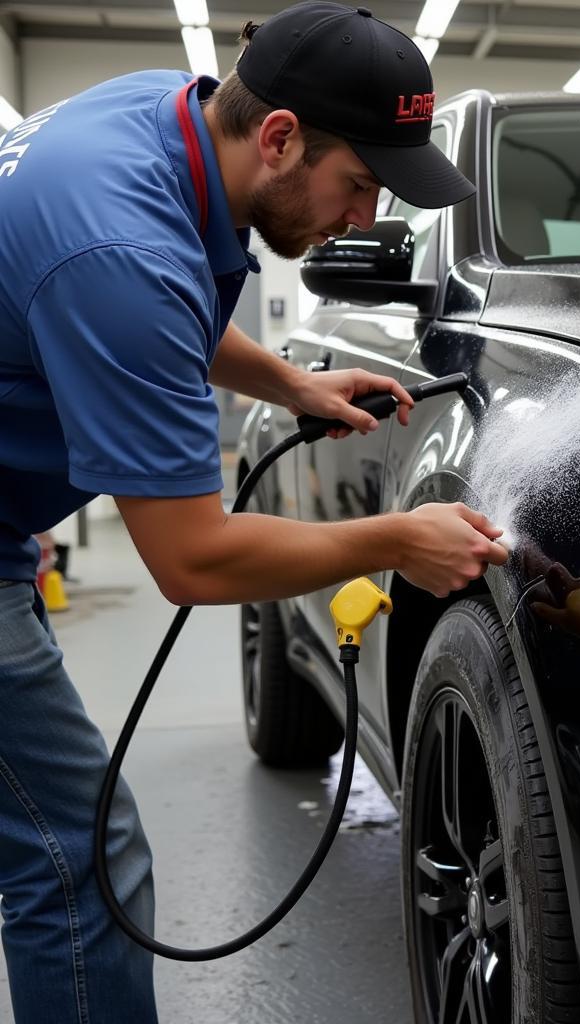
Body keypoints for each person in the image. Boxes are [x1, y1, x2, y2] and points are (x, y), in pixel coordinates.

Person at [0, 3, 507, 1020]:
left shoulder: (159, 113)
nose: (363, 221)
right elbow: (193, 561)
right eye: (357, 184)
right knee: (75, 861)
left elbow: (163, 301)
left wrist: (292, 385)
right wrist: (395, 541)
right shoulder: (121, 248)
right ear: (278, 138)